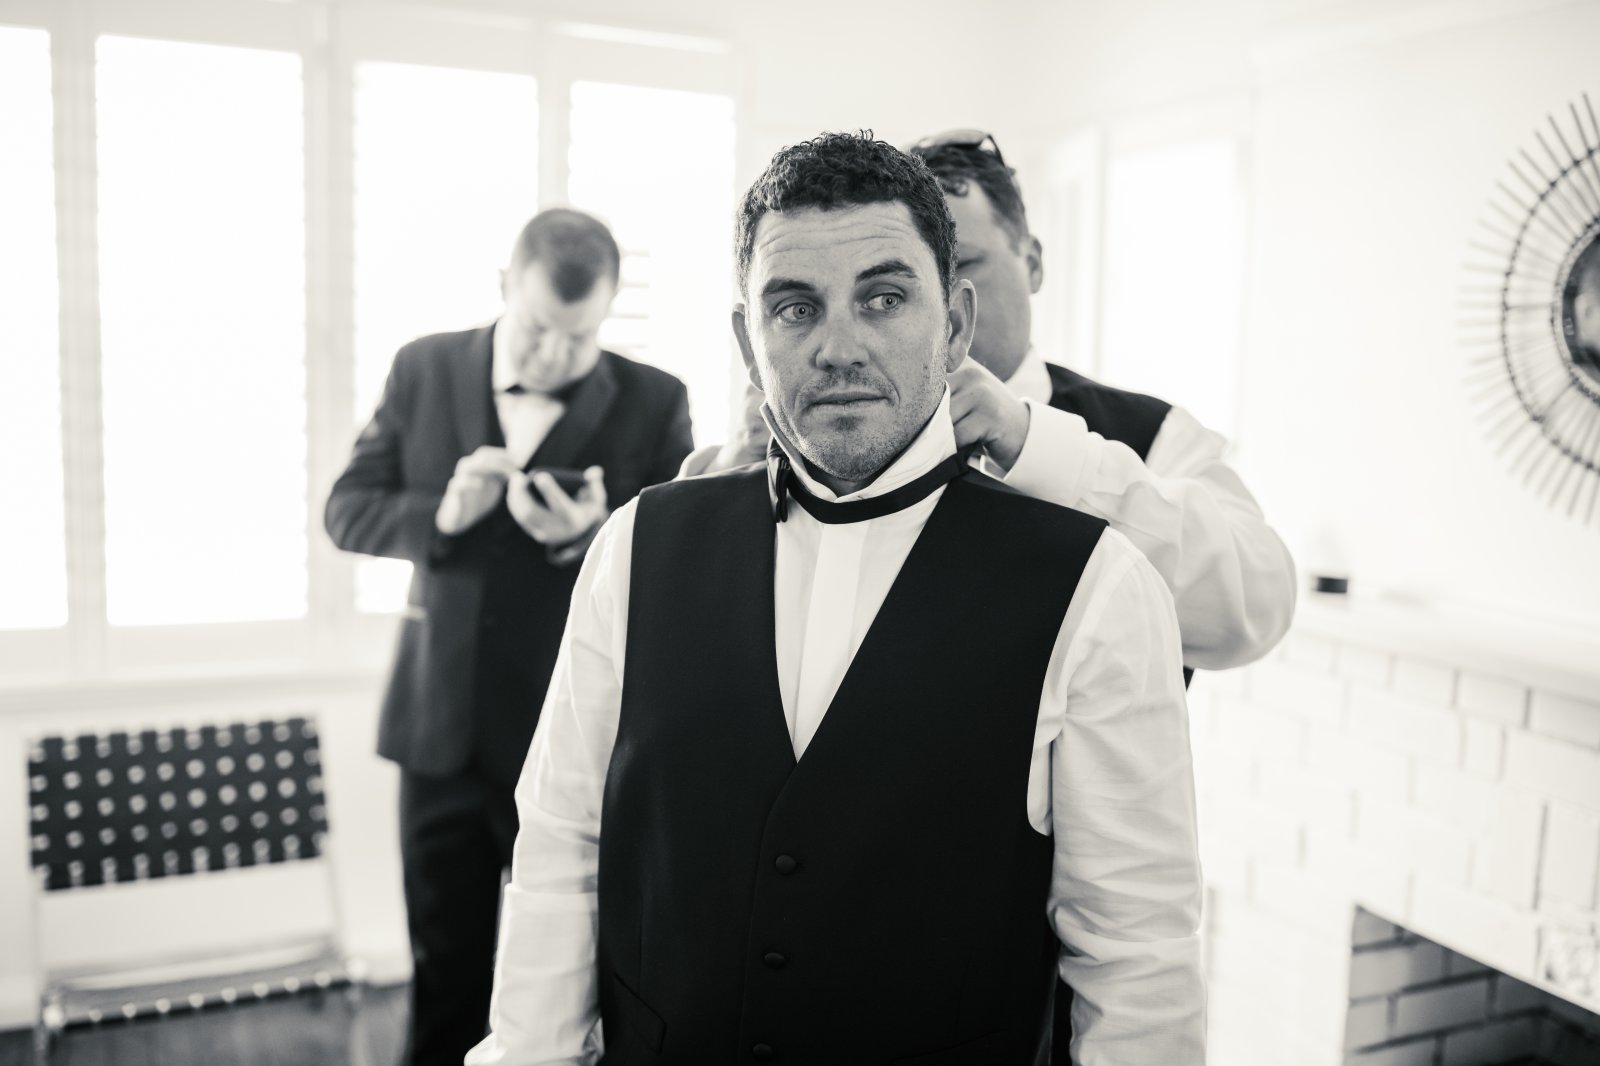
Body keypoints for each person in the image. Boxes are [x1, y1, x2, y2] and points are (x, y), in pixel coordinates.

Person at [468, 133, 1203, 1066]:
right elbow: (561, 849)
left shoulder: (1097, 588)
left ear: (955, 326)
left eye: (884, 299)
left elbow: (1137, 956)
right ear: (750, 342)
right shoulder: (636, 547)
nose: (838, 348)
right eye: (795, 307)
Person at [685, 129, 1296, 677]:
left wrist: (1033, 445)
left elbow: (1257, 609)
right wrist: (742, 468)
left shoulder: (1150, 431)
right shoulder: (798, 428)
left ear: (1029, 263)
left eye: (960, 264)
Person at [324, 208, 693, 1066]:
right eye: (537, 330)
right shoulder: (422, 367)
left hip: (576, 737)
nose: (555, 356)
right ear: (504, 287)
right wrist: (442, 516)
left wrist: (596, 533)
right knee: (443, 971)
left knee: (576, 980)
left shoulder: (656, 399)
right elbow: (346, 510)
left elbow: (684, 562)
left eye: (580, 336)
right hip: (438, 732)